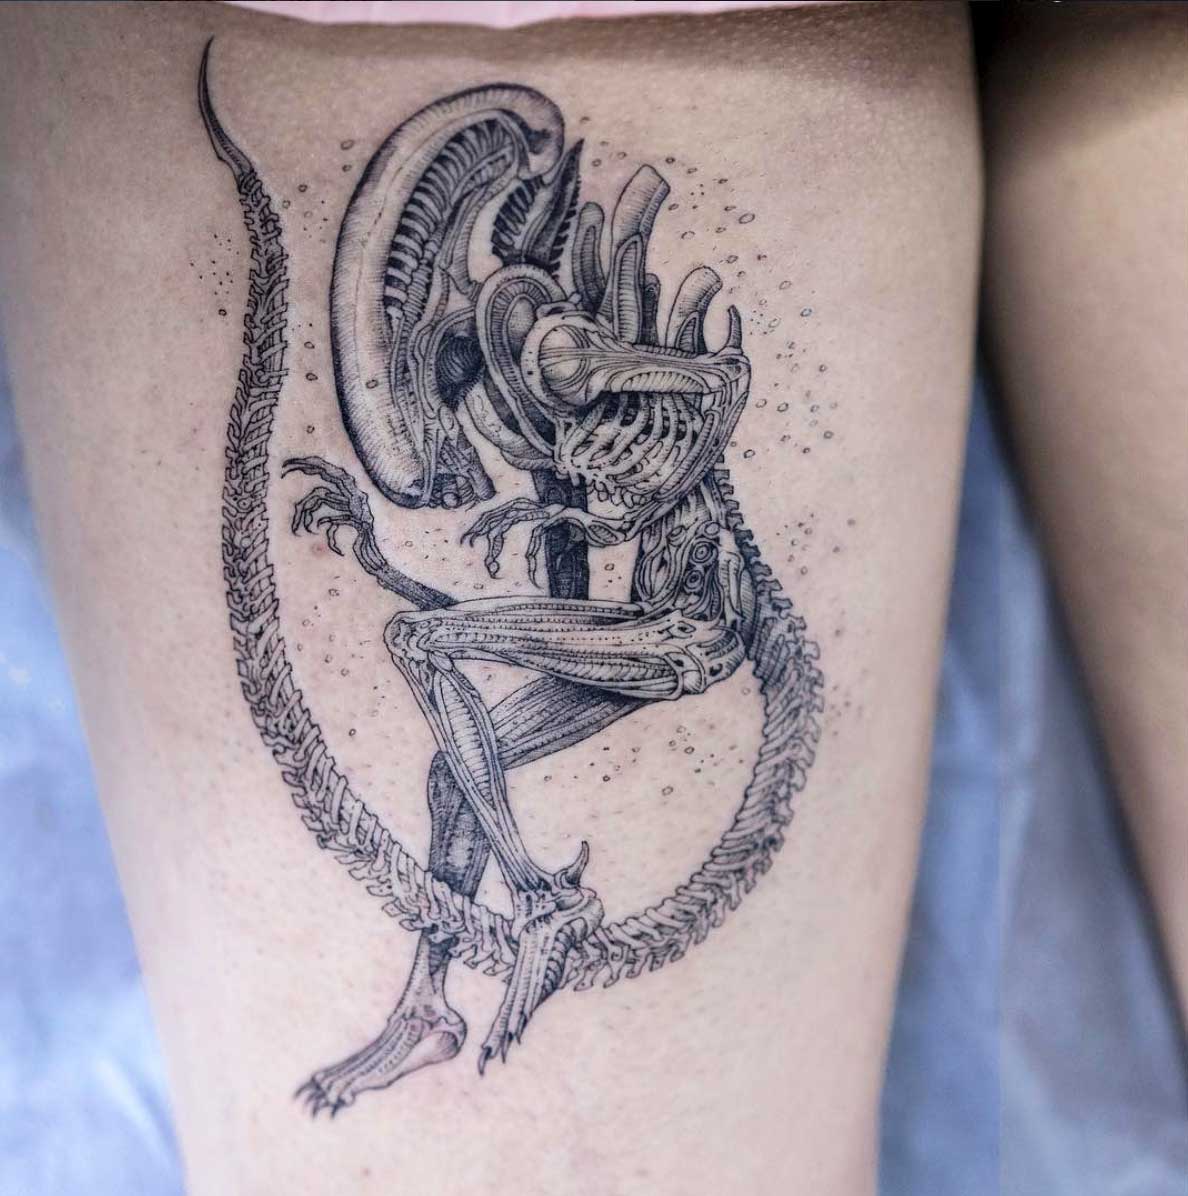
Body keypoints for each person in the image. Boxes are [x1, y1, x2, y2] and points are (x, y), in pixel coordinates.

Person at [0, 3, 1181, 1193]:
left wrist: (614, 451)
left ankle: (535, 896)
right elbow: (545, 623)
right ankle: (425, 1002)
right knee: (446, 756)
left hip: (688, 624)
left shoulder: (557, 355)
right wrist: (401, 551)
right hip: (650, 621)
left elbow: (714, 386)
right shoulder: (519, 404)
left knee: (427, 653)